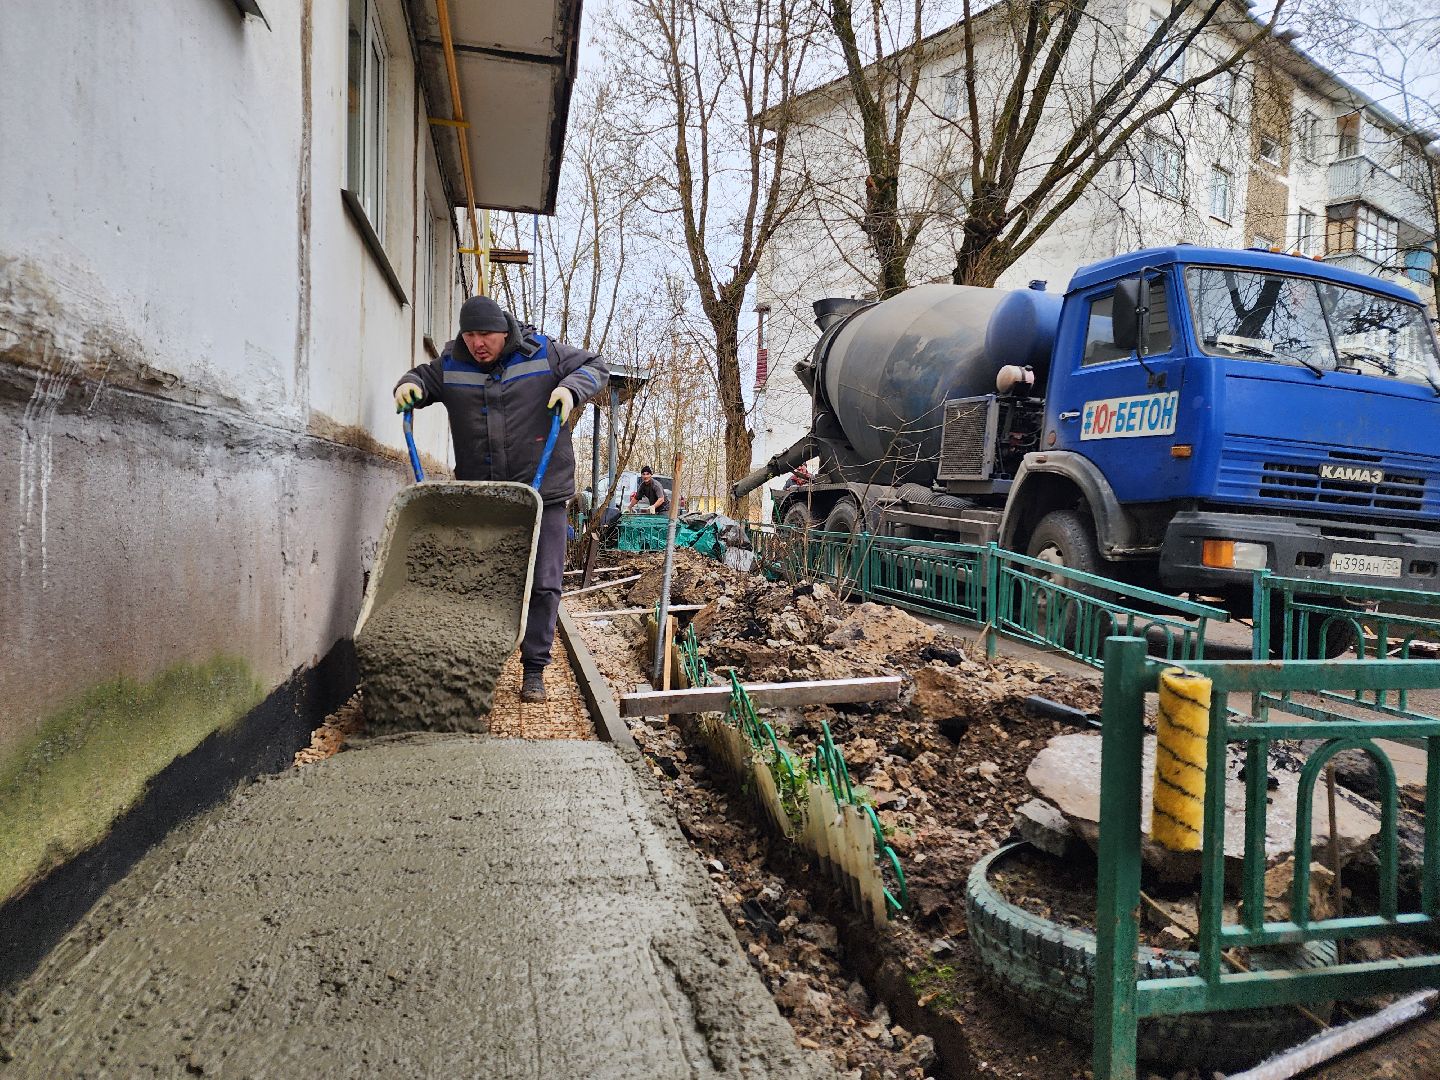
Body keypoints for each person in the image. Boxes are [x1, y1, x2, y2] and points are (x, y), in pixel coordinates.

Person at [393, 295, 609, 703]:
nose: (478, 343)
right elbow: (422, 378)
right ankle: (478, 660)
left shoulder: (541, 353)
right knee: (478, 580)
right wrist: (409, 386)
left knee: (544, 582)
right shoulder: (453, 363)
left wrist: (570, 389)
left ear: (504, 331)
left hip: (543, 492)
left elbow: (595, 365)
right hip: (485, 497)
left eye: (486, 335)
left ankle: (534, 669)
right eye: (470, 335)